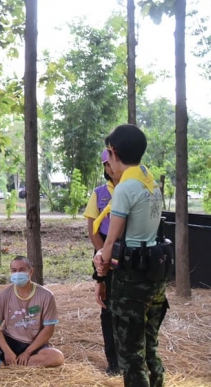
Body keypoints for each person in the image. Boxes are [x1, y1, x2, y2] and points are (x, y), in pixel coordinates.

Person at [93, 124, 168, 387]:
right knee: (150, 350)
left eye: (107, 154)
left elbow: (111, 241)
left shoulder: (126, 188)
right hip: (155, 276)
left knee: (132, 358)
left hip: (132, 281)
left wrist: (100, 273)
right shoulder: (150, 181)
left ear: (113, 151)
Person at [0, 256, 64, 368]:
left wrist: (27, 352)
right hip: (9, 341)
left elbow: (49, 329)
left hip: (34, 343)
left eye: (21, 270)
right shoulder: (4, 296)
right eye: (14, 270)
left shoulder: (46, 295)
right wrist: (7, 351)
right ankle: (12, 363)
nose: (17, 273)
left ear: (31, 271)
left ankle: (6, 365)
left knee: (57, 357)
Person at [83, 149, 121, 375]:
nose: (110, 168)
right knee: (107, 308)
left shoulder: (135, 188)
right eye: (106, 165)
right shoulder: (99, 193)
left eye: (113, 163)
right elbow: (92, 228)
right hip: (105, 252)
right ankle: (113, 362)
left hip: (128, 250)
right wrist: (102, 253)